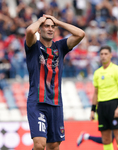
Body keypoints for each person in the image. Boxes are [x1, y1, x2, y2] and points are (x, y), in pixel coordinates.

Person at [24, 14, 85, 150]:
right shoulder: (34, 45)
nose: (50, 29)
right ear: (39, 29)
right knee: (39, 144)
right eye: (47, 26)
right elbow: (29, 31)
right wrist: (40, 21)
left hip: (56, 103)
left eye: (52, 27)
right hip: (37, 102)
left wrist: (58, 22)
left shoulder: (60, 47)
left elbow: (80, 34)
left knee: (54, 146)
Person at [90, 46, 118, 150]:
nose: (103, 56)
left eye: (106, 54)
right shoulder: (97, 73)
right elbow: (96, 93)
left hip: (114, 105)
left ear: (111, 55)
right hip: (101, 107)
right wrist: (93, 110)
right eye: (101, 54)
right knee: (106, 139)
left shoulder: (117, 70)